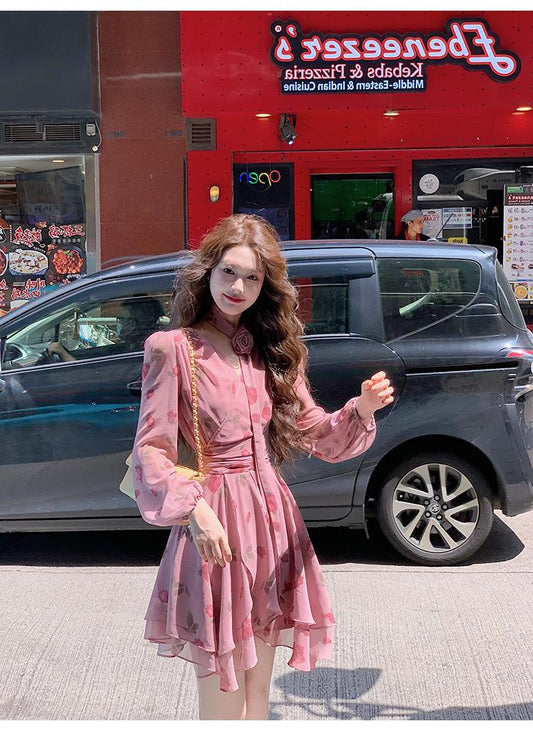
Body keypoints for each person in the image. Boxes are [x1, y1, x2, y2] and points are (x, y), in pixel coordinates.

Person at [131, 213, 394, 720]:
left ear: (265, 286)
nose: (238, 287)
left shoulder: (272, 352)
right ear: (208, 271)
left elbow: (317, 433)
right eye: (229, 272)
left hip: (273, 522)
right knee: (222, 694)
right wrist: (195, 511)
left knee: (257, 696)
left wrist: (361, 409)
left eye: (252, 278)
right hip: (215, 520)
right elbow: (152, 450)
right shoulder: (173, 349)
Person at [46, 296, 164, 362]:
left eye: (121, 319)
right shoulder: (131, 347)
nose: (119, 323)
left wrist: (63, 354)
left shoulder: (139, 353)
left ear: (133, 323)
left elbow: (91, 378)